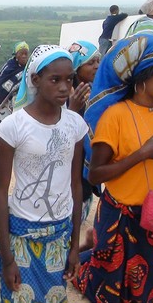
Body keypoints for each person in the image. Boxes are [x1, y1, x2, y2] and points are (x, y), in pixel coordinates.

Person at [73, 34, 153, 303]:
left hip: (152, 210)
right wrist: (141, 154)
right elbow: (96, 175)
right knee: (105, 295)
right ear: (141, 76)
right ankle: (82, 256)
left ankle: (88, 249)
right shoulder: (114, 115)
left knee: (145, 295)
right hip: (120, 214)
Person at [0, 45, 87, 303]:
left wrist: (75, 246)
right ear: (35, 79)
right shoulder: (14, 126)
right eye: (55, 79)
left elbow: (75, 185)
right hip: (23, 230)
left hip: (59, 230)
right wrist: (7, 258)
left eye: (69, 79)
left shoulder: (75, 125)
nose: (65, 87)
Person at [66, 40, 101, 224]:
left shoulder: (97, 91)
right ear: (77, 67)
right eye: (90, 62)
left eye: (98, 61)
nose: (96, 66)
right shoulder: (66, 93)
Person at [0, 41, 29, 129]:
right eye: (21, 54)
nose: (24, 56)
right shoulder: (9, 67)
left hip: (23, 97)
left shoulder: (29, 67)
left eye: (26, 54)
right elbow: (0, 86)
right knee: (6, 127)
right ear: (16, 55)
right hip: (7, 101)